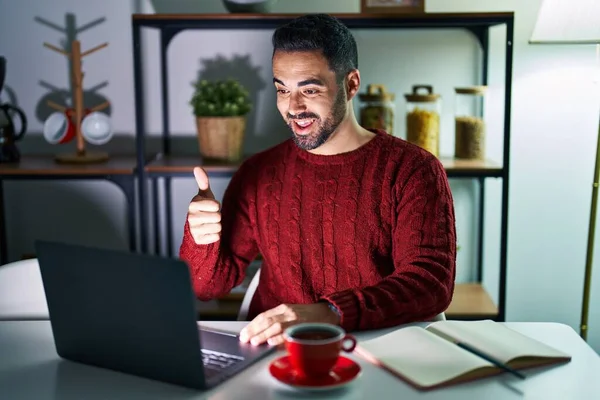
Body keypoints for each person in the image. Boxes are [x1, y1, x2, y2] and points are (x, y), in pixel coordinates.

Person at [179, 14, 456, 347]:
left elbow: (430, 284)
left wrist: (329, 313)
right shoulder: (258, 172)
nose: (293, 107)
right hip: (277, 353)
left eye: (309, 89)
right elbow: (207, 288)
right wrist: (201, 238)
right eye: (282, 89)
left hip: (378, 349)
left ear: (351, 84)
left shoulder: (413, 169)